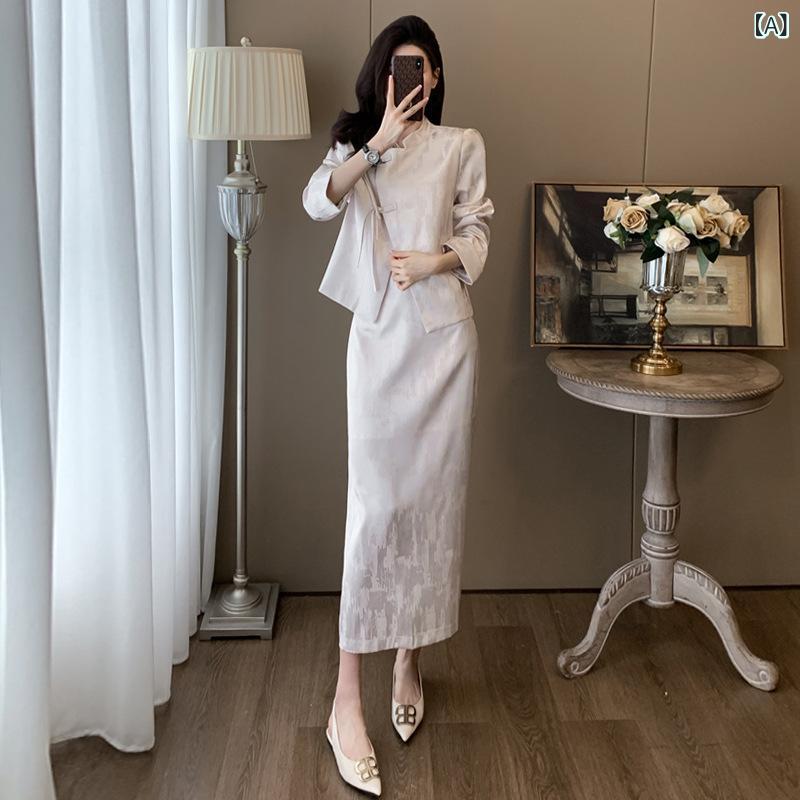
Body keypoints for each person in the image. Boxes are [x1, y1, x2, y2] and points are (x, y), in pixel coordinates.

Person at [301, 15, 494, 796]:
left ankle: (408, 658)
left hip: (445, 343)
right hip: (380, 345)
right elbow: (317, 201)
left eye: (422, 67)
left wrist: (435, 260)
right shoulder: (357, 145)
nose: (411, 78)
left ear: (435, 78)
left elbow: (477, 233)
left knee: (430, 507)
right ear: (382, 76)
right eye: (398, 67)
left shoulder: (462, 145)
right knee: (375, 511)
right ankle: (345, 699)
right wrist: (375, 144)